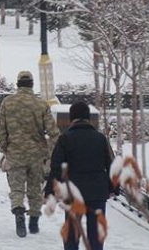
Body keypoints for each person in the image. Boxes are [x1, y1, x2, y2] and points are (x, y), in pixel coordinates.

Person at [0, 71, 60, 238]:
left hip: (15, 153)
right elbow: (53, 132)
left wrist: (5, 149)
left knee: (16, 187)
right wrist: (52, 152)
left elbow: (1, 130)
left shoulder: (7, 103)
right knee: (34, 188)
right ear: (32, 84)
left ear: (18, 84)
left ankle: (18, 211)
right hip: (36, 154)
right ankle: (33, 220)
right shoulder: (41, 104)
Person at [44, 102, 114, 250]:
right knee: (95, 235)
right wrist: (113, 187)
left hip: (73, 193)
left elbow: (56, 167)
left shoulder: (65, 139)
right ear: (88, 118)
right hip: (97, 193)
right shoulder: (100, 138)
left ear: (72, 118)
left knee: (72, 233)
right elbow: (111, 165)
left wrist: (50, 190)